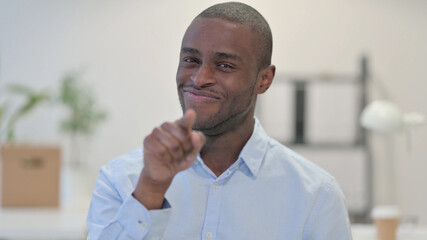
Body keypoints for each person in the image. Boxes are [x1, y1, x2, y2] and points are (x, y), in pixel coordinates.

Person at [87, 2, 353, 240]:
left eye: (225, 65)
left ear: (264, 79)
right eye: (191, 60)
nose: (200, 78)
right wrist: (150, 190)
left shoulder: (316, 196)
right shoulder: (122, 179)